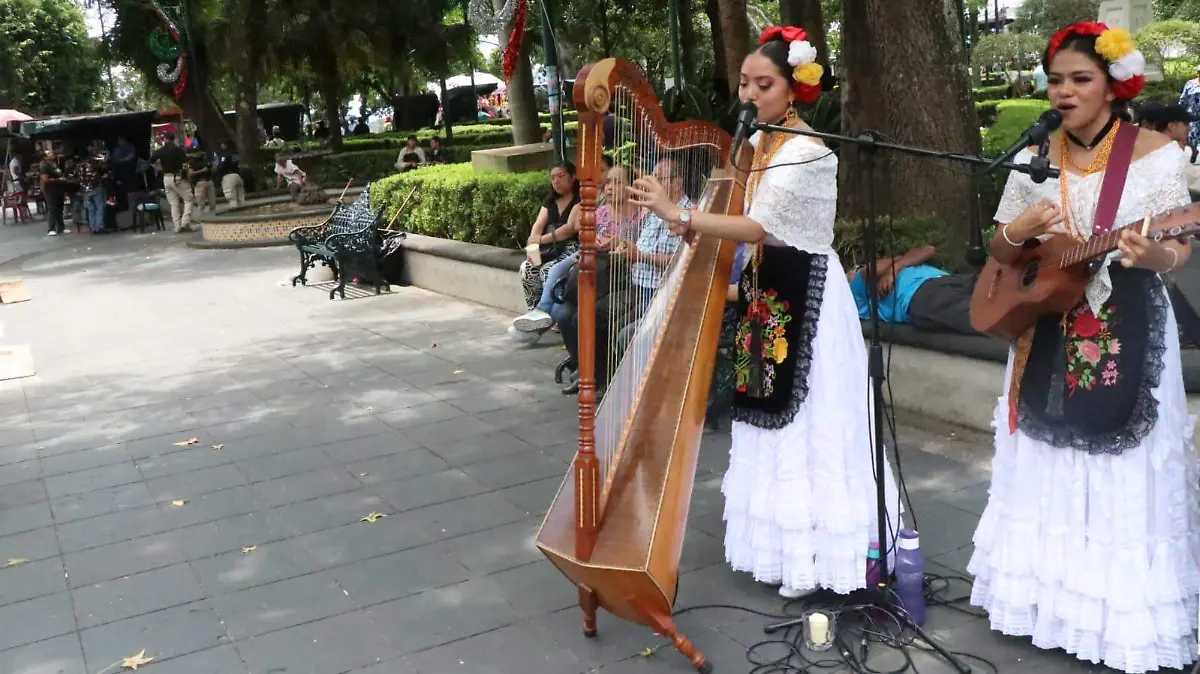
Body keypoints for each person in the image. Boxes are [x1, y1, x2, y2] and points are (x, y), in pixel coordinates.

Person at [629, 24, 901, 599]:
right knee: (767, 411)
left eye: (763, 84)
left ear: (794, 89)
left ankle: (826, 553)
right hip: (764, 290)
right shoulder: (755, 148)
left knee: (810, 417)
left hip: (807, 294)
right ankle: (783, 550)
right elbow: (735, 228)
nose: (749, 94)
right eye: (745, 83)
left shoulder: (806, 152)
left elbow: (761, 227)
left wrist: (679, 213)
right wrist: (689, 226)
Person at [969, 22, 1200, 673]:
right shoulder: (1036, 152)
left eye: (1081, 79)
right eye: (1057, 80)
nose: (1065, 92)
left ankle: (1119, 625)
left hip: (1124, 329)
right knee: (1047, 455)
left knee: (1117, 464)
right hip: (1046, 324)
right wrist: (1017, 227)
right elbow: (1000, 252)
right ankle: (1046, 603)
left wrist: (1155, 251)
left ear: (1113, 84)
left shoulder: (1155, 154)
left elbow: (1177, 248)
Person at [512, 164, 643, 334]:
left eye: (617, 183)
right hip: (591, 263)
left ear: (631, 187)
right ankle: (540, 314)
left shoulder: (642, 214)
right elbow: (583, 233)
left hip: (618, 274)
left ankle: (539, 322)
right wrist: (592, 240)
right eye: (608, 183)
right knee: (556, 282)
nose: (610, 188)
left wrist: (619, 242)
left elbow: (638, 247)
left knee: (568, 310)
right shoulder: (601, 211)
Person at [846, 245, 978, 335]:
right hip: (920, 297)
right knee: (987, 320)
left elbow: (929, 249)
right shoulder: (855, 298)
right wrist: (893, 265)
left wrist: (895, 267)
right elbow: (870, 271)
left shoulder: (898, 267)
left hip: (947, 280)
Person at [517, 161, 581, 311]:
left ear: (573, 177)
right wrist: (533, 247)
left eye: (561, 176)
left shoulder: (580, 199)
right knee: (527, 268)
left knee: (548, 270)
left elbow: (569, 229)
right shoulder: (550, 200)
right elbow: (539, 224)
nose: (556, 181)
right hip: (549, 247)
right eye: (553, 178)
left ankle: (554, 313)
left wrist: (540, 240)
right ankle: (534, 312)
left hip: (569, 247)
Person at [1137, 101, 1200, 194]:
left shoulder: (1146, 145)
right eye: (1185, 124)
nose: (1189, 128)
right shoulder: (1169, 152)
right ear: (1171, 126)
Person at [150, 132, 193, 233]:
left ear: (164, 139)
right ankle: (185, 222)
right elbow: (185, 161)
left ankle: (177, 226)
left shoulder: (160, 150)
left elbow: (150, 161)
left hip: (166, 178)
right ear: (173, 139)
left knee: (173, 203)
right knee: (188, 199)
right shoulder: (178, 150)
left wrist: (158, 168)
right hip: (177, 176)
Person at [39, 150, 67, 236]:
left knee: (59, 207)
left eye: (51, 152)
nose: (52, 154)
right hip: (50, 189)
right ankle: (51, 228)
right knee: (52, 208)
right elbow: (45, 179)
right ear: (45, 157)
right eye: (49, 153)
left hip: (58, 188)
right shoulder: (44, 165)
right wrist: (58, 180)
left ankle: (61, 227)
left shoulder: (55, 164)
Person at [1179, 64, 1200, 162]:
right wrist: (1179, 110)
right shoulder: (1190, 84)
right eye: (1199, 72)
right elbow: (1184, 98)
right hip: (1193, 115)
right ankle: (1194, 151)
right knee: (1191, 138)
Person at [214, 141, 245, 207]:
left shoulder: (224, 155)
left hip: (228, 176)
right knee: (240, 197)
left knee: (231, 198)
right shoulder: (235, 154)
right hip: (237, 175)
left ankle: (235, 214)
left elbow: (222, 166)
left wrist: (218, 168)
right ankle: (243, 212)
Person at [188, 149, 215, 214]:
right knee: (201, 203)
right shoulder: (192, 162)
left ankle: (213, 217)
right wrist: (202, 171)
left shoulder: (205, 160)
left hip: (208, 181)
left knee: (212, 202)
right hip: (199, 182)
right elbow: (190, 173)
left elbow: (212, 167)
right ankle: (202, 219)